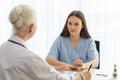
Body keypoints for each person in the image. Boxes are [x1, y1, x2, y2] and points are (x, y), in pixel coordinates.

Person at [0, 4, 91, 80]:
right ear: (31, 28)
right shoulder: (29, 58)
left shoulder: (3, 48)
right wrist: (81, 77)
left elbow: (22, 70)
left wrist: (50, 69)